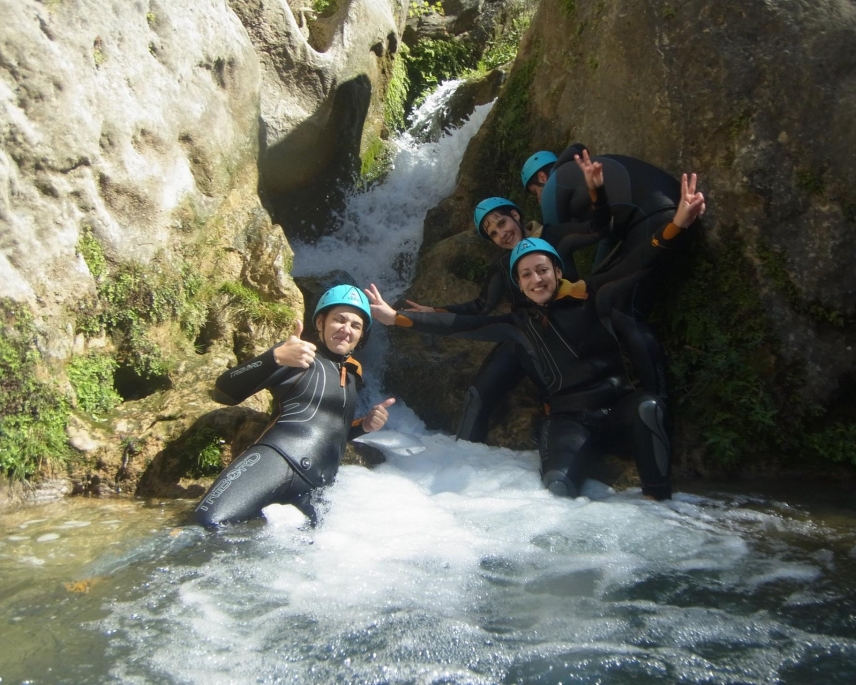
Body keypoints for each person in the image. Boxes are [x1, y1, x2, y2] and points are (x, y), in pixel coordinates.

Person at [365, 232, 705, 500]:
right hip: (569, 422)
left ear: (557, 271)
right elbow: (460, 325)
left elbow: (634, 263)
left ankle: (658, 502)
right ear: (519, 284)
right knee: (557, 488)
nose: (536, 279)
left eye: (542, 270)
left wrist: (675, 225)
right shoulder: (518, 324)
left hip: (618, 412)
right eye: (526, 274)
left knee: (648, 406)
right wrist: (397, 318)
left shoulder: (593, 299)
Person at [404, 153, 612, 443]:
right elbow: (481, 306)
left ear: (516, 215)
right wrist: (435, 310)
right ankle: (457, 461)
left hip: (566, 331)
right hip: (523, 335)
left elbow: (599, 228)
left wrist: (596, 191)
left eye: (502, 223)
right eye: (493, 233)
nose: (501, 234)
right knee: (477, 395)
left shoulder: (553, 236)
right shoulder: (503, 267)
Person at [192, 285, 395, 527]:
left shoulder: (352, 375)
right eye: (339, 320)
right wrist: (274, 358)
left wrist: (364, 426)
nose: (346, 329)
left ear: (361, 335)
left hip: (317, 485)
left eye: (355, 325)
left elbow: (331, 433)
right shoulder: (298, 354)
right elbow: (223, 391)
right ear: (320, 322)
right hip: (276, 461)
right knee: (203, 526)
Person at [522, 145, 700, 318]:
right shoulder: (578, 173)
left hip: (655, 216)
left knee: (620, 306)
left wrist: (571, 297)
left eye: (536, 192)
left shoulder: (552, 187)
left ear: (542, 177)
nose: (539, 200)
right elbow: (607, 234)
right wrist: (594, 276)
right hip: (677, 205)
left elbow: (556, 250)